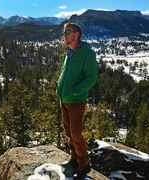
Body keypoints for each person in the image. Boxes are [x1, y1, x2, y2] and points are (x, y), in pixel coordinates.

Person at [56, 23, 98, 179]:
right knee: (69, 133)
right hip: (64, 100)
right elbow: (64, 71)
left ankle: (84, 164)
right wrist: (58, 87)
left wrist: (74, 91)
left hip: (76, 102)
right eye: (64, 32)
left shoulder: (87, 53)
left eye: (67, 32)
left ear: (77, 34)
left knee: (76, 135)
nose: (64, 35)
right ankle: (74, 159)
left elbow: (91, 78)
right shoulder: (70, 52)